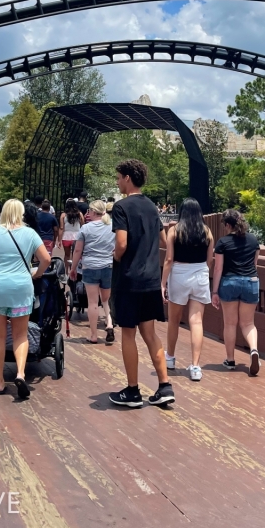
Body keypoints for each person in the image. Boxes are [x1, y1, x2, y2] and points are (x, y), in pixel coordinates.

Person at [0, 199, 51, 399]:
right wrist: (36, 273)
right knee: (20, 335)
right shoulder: (30, 233)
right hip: (20, 287)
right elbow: (46, 259)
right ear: (21, 213)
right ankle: (21, 374)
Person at [109, 160, 174, 408]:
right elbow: (164, 240)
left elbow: (122, 243)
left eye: (118, 177)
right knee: (150, 333)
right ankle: (164, 386)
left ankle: (133, 390)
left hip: (129, 280)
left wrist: (116, 255)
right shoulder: (151, 207)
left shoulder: (121, 207)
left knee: (128, 332)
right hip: (150, 280)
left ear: (127, 178)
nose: (117, 182)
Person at [162, 198, 214, 382]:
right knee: (197, 322)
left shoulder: (174, 231)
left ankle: (170, 358)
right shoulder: (207, 232)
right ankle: (195, 366)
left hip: (179, 275)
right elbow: (209, 260)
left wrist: (163, 283)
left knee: (174, 321)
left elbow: (169, 260)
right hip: (200, 274)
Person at [211, 209, 262, 377]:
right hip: (250, 282)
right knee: (248, 324)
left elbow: (218, 268)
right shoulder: (253, 240)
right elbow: (255, 265)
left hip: (230, 282)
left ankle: (230, 360)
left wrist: (215, 291)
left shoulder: (223, 242)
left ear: (228, 225)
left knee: (230, 324)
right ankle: (253, 350)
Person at [70, 200, 115, 344]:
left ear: (93, 212)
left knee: (93, 302)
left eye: (89, 211)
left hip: (90, 266)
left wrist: (73, 268)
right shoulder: (113, 226)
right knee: (106, 300)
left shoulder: (85, 228)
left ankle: (94, 335)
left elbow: (78, 250)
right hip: (108, 265)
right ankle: (109, 323)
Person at [60, 198, 84, 272]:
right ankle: (74, 270)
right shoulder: (79, 214)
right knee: (76, 254)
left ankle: (66, 271)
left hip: (66, 236)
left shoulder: (63, 215)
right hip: (77, 236)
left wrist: (58, 240)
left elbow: (61, 228)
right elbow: (83, 225)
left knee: (67, 255)